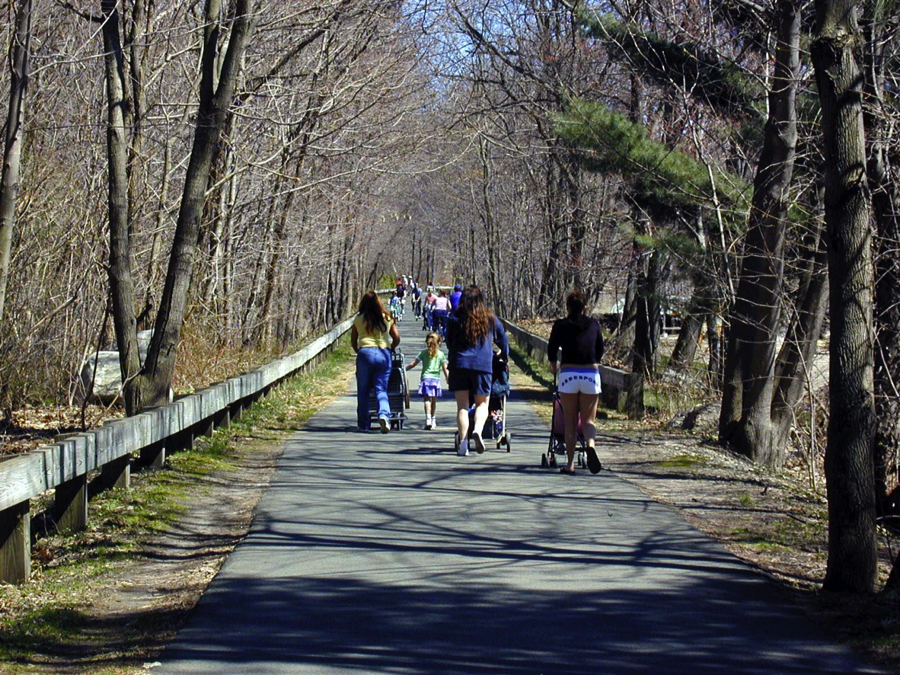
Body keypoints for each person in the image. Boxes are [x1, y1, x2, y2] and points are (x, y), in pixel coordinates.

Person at [446, 286, 508, 456]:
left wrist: (454, 354)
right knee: (482, 403)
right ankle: (478, 431)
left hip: (459, 364)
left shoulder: (455, 317)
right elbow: (503, 339)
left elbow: (449, 340)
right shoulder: (490, 318)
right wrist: (505, 355)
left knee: (462, 406)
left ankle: (463, 445)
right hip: (482, 365)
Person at [548, 290, 604, 474]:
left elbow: (552, 347)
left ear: (568, 307)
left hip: (569, 373)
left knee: (570, 421)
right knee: (589, 420)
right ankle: (590, 445)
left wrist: (553, 364)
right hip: (590, 373)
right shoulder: (594, 324)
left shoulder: (561, 325)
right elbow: (600, 348)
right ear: (585, 307)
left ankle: (570, 464)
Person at [351, 291, 401, 433]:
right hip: (383, 353)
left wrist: (359, 352)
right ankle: (384, 414)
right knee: (381, 388)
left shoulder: (359, 319)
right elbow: (396, 338)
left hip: (365, 353)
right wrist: (390, 348)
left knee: (363, 390)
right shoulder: (386, 318)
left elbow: (353, 340)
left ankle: (363, 424)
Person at [406, 332, 450, 430]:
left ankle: (428, 419)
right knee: (433, 401)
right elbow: (445, 368)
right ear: (439, 343)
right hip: (436, 379)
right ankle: (433, 420)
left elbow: (413, 364)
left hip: (426, 378)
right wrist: (448, 378)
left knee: (426, 400)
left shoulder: (423, 353)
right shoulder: (441, 355)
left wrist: (404, 369)